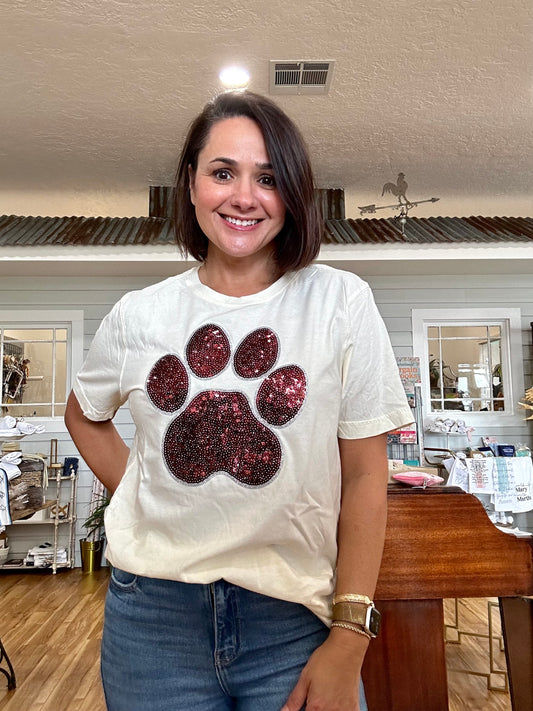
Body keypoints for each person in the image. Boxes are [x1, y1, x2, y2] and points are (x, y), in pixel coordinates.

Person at [65, 90, 413, 711]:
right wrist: (142, 490)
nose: (244, 197)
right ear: (191, 184)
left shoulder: (340, 302)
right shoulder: (139, 315)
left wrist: (350, 635)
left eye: (269, 178)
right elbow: (83, 415)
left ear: (294, 194)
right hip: (154, 620)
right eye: (223, 172)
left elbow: (365, 475)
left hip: (293, 619)